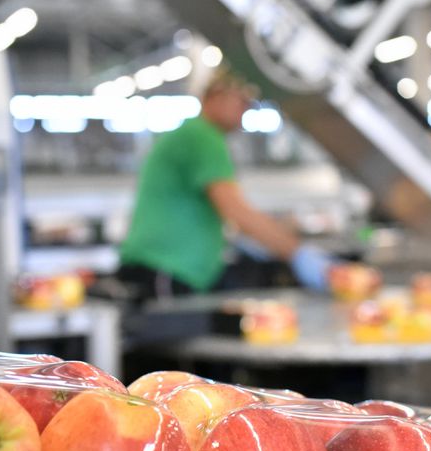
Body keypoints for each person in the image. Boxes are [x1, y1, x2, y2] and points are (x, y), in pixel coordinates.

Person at [117, 71, 335, 297]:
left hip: (160, 267)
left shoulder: (192, 133)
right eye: (241, 100)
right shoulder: (203, 137)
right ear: (216, 95)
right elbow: (235, 211)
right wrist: (297, 253)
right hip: (167, 268)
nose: (247, 108)